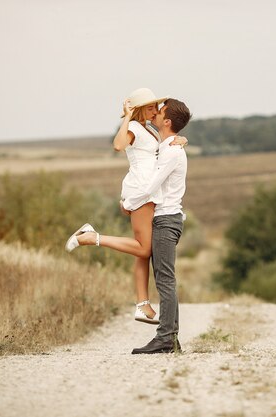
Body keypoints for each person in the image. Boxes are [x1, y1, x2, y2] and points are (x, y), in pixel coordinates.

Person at [66, 98, 192, 354]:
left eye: (160, 111)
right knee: (157, 270)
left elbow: (151, 185)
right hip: (163, 217)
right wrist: (180, 138)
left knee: (165, 280)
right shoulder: (167, 145)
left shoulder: (172, 152)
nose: (155, 112)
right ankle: (169, 337)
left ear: (167, 121)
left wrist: (128, 203)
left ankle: (166, 338)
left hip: (167, 219)